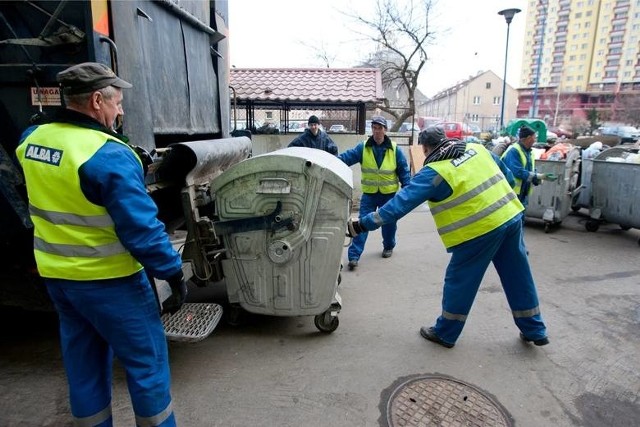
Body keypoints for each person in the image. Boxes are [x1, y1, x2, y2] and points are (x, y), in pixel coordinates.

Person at [15, 62, 185, 426]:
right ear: (96, 101)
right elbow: (141, 228)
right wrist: (172, 271)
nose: (120, 111)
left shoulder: (31, 140)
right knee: (147, 366)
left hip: (60, 281)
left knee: (84, 365)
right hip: (112, 282)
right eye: (118, 103)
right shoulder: (107, 153)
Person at [346, 126, 549, 348]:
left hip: (478, 232)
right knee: (518, 275)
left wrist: (361, 224)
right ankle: (535, 330)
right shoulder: (477, 149)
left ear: (425, 148)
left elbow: (397, 205)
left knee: (460, 281)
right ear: (445, 139)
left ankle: (445, 332)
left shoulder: (434, 172)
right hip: (510, 217)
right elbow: (508, 177)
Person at [339, 115, 411, 270]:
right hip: (370, 195)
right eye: (374, 128)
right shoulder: (363, 147)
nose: (377, 131)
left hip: (388, 195)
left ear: (385, 130)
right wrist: (331, 160)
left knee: (389, 224)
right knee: (362, 224)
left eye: (380, 128)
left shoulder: (395, 149)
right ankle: (354, 256)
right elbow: (346, 158)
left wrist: (408, 188)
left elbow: (404, 171)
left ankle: (389, 246)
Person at [500, 125, 557, 209]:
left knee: (520, 218)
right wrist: (538, 176)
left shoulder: (530, 153)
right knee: (513, 219)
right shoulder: (513, 151)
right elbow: (517, 171)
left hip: (523, 194)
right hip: (511, 193)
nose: (535, 140)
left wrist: (539, 178)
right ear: (529, 138)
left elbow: (530, 171)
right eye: (534, 137)